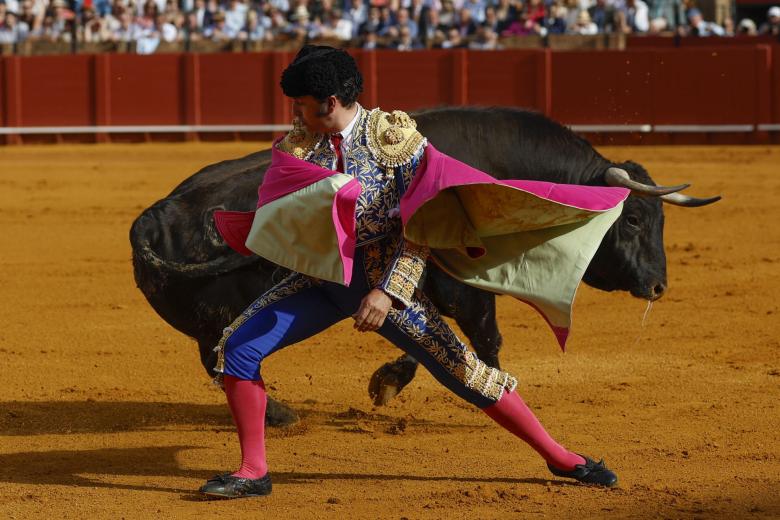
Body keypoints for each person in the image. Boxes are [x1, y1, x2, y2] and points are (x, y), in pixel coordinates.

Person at [200, 45, 620, 499]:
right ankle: (253, 471)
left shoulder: (396, 141)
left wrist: (387, 293)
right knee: (238, 347)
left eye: (302, 106)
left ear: (331, 102)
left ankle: (559, 457)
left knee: (465, 371)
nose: (296, 116)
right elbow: (284, 214)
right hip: (321, 280)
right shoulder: (300, 146)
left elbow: (424, 224)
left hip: (383, 280)